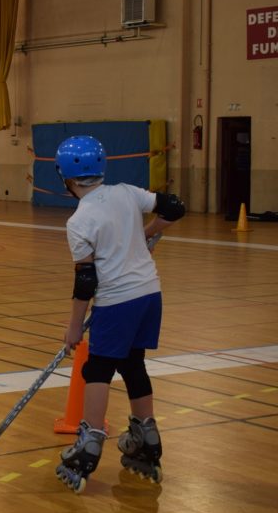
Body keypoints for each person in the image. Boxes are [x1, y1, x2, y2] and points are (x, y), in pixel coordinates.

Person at [52, 135, 185, 494]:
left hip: (117, 301)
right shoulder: (128, 192)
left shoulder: (80, 220)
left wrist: (74, 326)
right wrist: (148, 233)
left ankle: (90, 441)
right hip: (149, 295)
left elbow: (86, 280)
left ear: (65, 178)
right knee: (132, 364)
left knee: (96, 368)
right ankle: (146, 434)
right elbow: (173, 206)